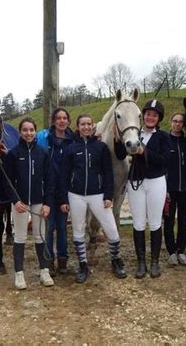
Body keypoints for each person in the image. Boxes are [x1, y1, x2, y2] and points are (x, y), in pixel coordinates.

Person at [60, 114, 126, 283]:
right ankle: (83, 265)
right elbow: (64, 175)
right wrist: (64, 199)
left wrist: (108, 195)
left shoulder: (101, 147)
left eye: (89, 124)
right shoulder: (71, 148)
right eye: (83, 124)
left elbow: (107, 172)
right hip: (76, 195)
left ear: (93, 127)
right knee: (78, 230)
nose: (86, 127)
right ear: (78, 127)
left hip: (97, 194)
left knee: (111, 229)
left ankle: (116, 260)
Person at [115, 99, 170, 279]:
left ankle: (154, 261)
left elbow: (163, 160)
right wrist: (117, 140)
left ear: (158, 118)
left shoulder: (163, 137)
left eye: (154, 115)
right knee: (138, 223)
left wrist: (143, 151)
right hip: (136, 182)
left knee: (154, 222)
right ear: (142, 116)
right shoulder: (133, 133)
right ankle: (141, 262)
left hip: (156, 182)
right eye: (148, 114)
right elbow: (120, 154)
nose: (150, 117)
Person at [4, 118, 55, 289]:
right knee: (20, 237)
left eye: (31, 130)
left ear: (35, 131)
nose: (28, 133)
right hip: (21, 203)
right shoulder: (13, 154)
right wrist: (15, 200)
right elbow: (8, 181)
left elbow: (49, 181)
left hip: (39, 202)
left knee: (40, 236)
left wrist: (47, 203)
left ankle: (44, 270)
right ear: (20, 132)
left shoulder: (42, 153)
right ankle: (19, 273)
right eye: (25, 130)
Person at [36, 108, 75, 276]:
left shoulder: (73, 140)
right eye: (58, 118)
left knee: (62, 227)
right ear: (53, 121)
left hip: (64, 191)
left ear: (68, 121)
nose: (61, 121)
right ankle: (48, 261)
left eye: (64, 118)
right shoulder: (45, 139)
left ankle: (63, 261)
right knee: (48, 227)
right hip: (48, 190)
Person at [164, 112, 186, 266]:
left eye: (180, 122)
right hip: (169, 188)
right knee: (169, 221)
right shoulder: (165, 140)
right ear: (170, 122)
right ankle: (171, 252)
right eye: (175, 121)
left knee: (183, 220)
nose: (177, 124)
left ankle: (181, 251)